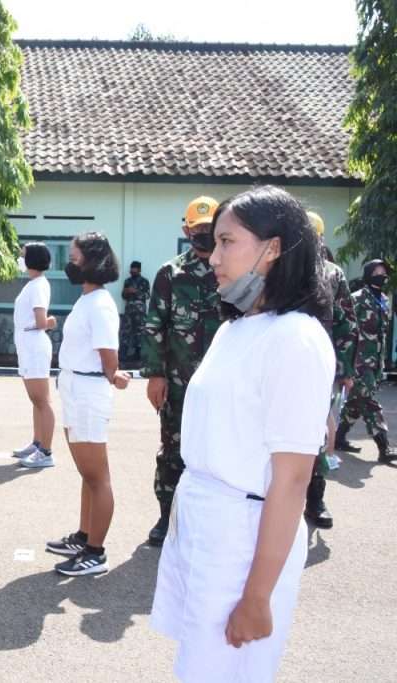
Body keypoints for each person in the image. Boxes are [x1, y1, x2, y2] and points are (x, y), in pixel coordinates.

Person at [151, 185, 334, 682]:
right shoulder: (237, 327)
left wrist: (257, 596)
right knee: (199, 669)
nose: (212, 256)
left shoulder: (295, 339)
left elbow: (293, 480)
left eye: (228, 242)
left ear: (273, 248)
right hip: (207, 521)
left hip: (244, 536)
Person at [141, 196, 224, 546]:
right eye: (198, 229)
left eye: (210, 229)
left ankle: (211, 522)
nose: (203, 235)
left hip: (223, 384)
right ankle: (166, 516)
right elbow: (154, 326)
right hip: (178, 384)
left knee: (219, 453)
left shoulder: (235, 271)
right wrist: (156, 375)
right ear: (186, 230)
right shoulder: (170, 273)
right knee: (173, 451)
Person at [46, 232, 130, 576]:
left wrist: (116, 375)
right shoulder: (88, 298)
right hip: (75, 387)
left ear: (92, 260)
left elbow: (109, 357)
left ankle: (96, 552)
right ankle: (84, 536)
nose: (70, 262)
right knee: (87, 474)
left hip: (89, 392)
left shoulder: (101, 304)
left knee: (98, 477)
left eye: (75, 257)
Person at [304, 211, 358, 529]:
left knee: (318, 436)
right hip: (283, 365)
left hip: (320, 368)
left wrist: (346, 369)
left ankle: (315, 499)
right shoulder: (280, 270)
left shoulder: (333, 274)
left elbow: (346, 324)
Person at [335, 259, 397, 463]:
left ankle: (338, 437)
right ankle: (384, 446)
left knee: (356, 401)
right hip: (358, 360)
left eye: (384, 272)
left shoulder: (384, 301)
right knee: (369, 401)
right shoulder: (357, 298)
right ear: (369, 273)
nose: (382, 275)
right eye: (378, 271)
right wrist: (345, 362)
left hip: (374, 361)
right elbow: (346, 328)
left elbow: (382, 334)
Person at [10, 242, 58, 468]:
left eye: (23, 255)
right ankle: (37, 443)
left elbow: (41, 321)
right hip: (28, 346)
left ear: (32, 259)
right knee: (35, 400)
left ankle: (46, 452)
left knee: (42, 400)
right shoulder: (33, 284)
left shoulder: (39, 285)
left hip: (35, 347)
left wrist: (49, 322)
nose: (20, 258)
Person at [120, 260, 150, 364]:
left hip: (140, 313)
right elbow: (123, 296)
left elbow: (147, 295)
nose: (132, 270)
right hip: (129, 311)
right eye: (131, 268)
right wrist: (126, 291)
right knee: (125, 333)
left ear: (139, 270)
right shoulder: (127, 281)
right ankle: (123, 357)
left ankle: (139, 358)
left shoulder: (144, 281)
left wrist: (136, 291)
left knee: (140, 334)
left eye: (134, 268)